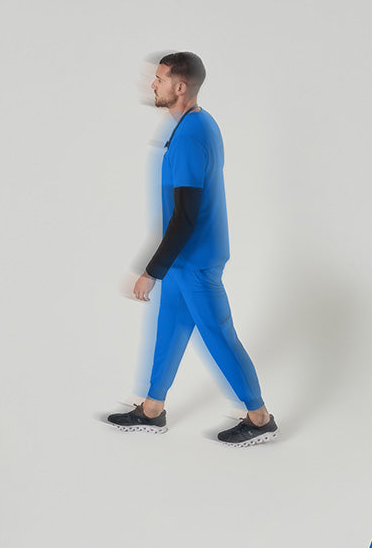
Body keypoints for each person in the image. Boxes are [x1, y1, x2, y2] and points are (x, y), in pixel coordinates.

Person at [104, 52, 278, 448]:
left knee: (218, 335)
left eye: (160, 79)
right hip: (184, 260)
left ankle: (259, 417)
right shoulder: (196, 124)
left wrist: (152, 270)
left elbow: (185, 217)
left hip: (195, 260)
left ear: (179, 87)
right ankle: (151, 409)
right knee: (169, 331)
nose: (153, 84)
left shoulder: (190, 136)